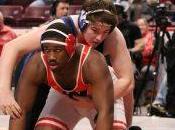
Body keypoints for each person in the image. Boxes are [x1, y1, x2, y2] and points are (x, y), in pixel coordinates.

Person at [0, 0, 134, 128]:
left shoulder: (113, 36)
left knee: (122, 89)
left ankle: (127, 126)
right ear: (82, 22)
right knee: (30, 118)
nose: (100, 37)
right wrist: (4, 91)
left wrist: (93, 102)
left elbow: (127, 80)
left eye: (105, 32)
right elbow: (12, 47)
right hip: (62, 86)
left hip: (95, 86)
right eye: (95, 30)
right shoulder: (62, 28)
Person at [10, 21, 114, 130]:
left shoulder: (93, 62)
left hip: (103, 97)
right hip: (66, 96)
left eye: (57, 50)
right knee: (45, 128)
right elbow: (20, 110)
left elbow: (106, 111)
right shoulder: (37, 65)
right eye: (47, 50)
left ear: (70, 48)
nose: (51, 57)